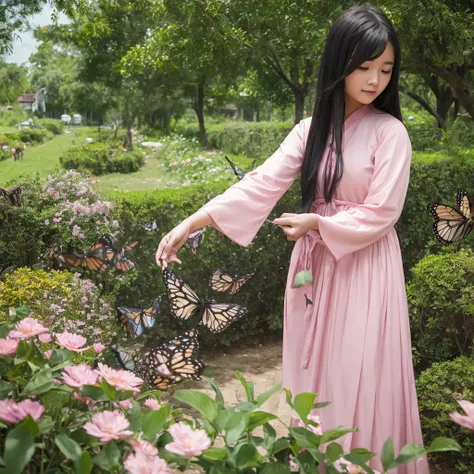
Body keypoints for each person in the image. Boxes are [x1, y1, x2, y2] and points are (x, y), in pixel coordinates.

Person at [156, 5, 429, 473]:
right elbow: (260, 183)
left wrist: (319, 224)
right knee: (315, 375)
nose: (374, 80)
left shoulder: (391, 133)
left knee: (356, 369)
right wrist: (193, 222)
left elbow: (383, 211)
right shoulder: (310, 131)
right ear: (339, 63)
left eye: (385, 69)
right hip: (315, 268)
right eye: (363, 66)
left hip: (364, 266)